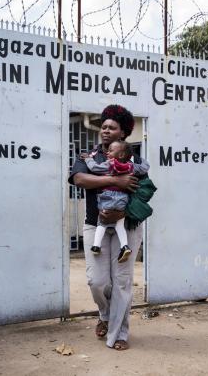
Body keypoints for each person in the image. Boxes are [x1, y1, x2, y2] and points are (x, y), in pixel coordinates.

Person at [68, 104, 144, 351]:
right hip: (95, 224)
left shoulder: (134, 160)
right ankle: (105, 315)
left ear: (123, 133)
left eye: (112, 127)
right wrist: (114, 180)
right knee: (97, 282)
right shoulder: (88, 157)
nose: (106, 130)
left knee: (121, 281)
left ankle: (119, 333)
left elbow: (145, 190)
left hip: (126, 225)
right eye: (104, 127)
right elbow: (79, 179)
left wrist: (124, 209)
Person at [81, 140, 149, 263]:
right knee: (119, 225)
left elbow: (94, 168)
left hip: (108, 198)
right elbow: (144, 168)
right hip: (123, 200)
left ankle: (96, 246)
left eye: (111, 150)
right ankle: (124, 246)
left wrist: (87, 159)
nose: (108, 152)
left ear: (121, 155)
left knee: (101, 222)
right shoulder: (131, 166)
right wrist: (143, 160)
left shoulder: (110, 164)